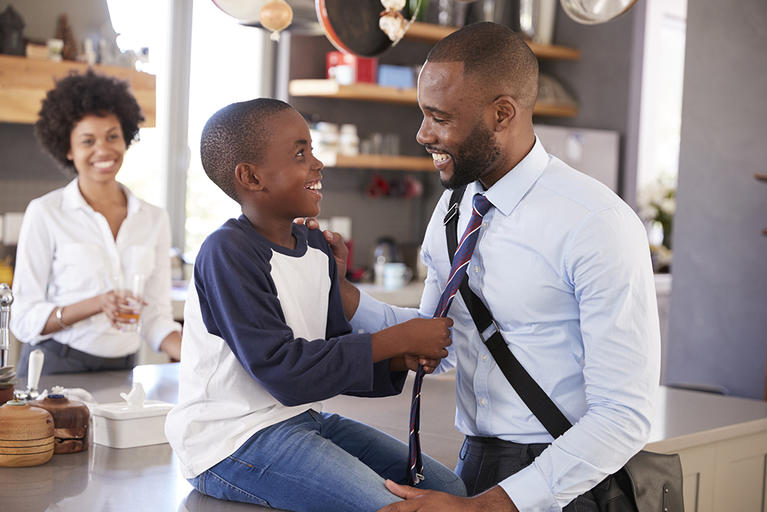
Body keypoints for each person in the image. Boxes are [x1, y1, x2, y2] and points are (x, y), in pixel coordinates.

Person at [321, 22, 660, 511]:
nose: (422, 134)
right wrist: (344, 293)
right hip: (475, 465)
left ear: (503, 113)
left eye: (439, 117)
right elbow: (439, 341)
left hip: (567, 481)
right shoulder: (452, 211)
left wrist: (489, 506)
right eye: (423, 113)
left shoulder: (597, 223)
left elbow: (624, 414)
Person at [164, 98, 466, 512]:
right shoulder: (226, 251)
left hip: (301, 421)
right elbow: (285, 371)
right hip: (230, 441)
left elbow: (329, 360)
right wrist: (396, 340)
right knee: (392, 507)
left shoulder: (314, 248)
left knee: (450, 491)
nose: (317, 164)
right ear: (250, 177)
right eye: (300, 153)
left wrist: (402, 359)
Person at [10, 70, 182, 374]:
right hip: (54, 365)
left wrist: (195, 355)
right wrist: (96, 304)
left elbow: (154, 316)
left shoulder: (154, 219)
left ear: (126, 137)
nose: (103, 150)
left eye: (112, 136)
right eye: (88, 141)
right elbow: (24, 319)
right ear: (68, 148)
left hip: (124, 370)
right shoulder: (46, 212)